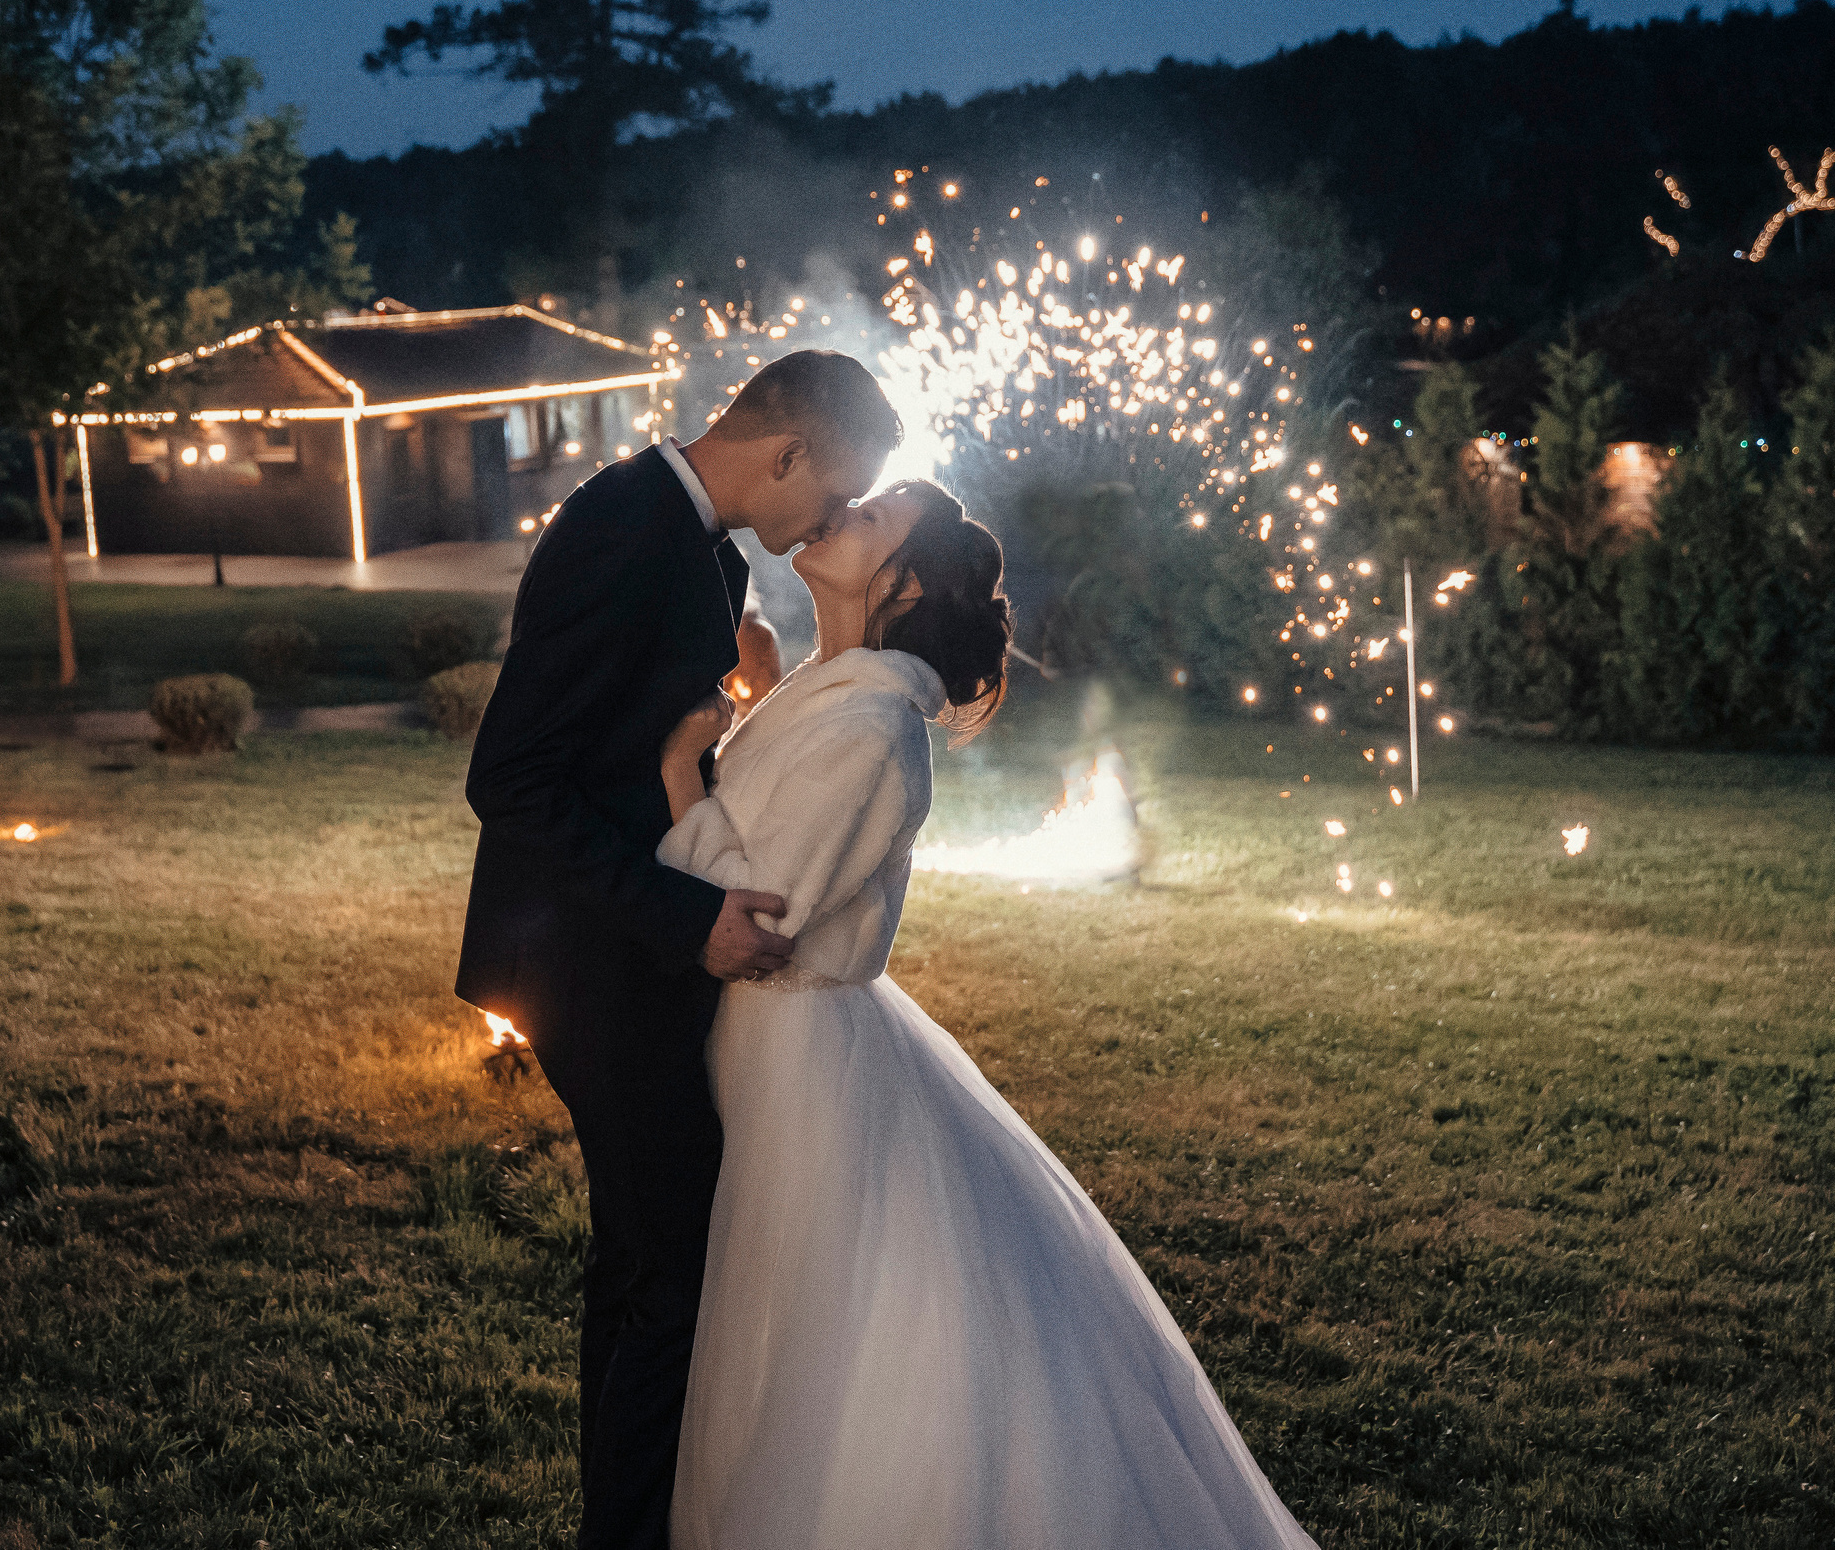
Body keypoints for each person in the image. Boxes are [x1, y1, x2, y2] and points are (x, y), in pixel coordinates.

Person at [655, 480, 1318, 1550]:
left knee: (816, 1336)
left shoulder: (873, 728)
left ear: (901, 584)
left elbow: (761, 915)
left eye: (868, 517)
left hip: (799, 1054)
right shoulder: (830, 690)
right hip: (770, 1045)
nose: (837, 511)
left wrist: (683, 774)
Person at [455, 350, 902, 1550]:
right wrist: (681, 920)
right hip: (586, 963)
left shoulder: (695, 541)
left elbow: (632, 749)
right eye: (833, 490)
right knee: (666, 1277)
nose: (830, 519)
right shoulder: (621, 529)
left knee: (649, 1260)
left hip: (619, 956)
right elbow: (509, 780)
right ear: (785, 453)